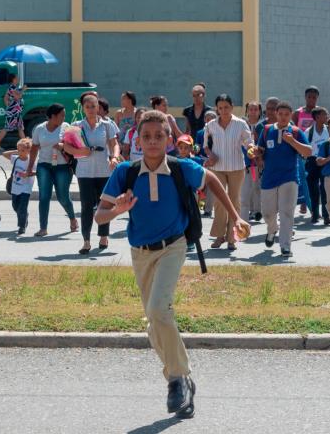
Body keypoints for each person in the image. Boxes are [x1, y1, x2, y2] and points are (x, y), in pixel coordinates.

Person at [95, 110, 250, 420]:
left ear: (168, 139)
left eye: (159, 136)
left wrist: (236, 217)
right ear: (136, 140)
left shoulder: (180, 168)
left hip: (174, 246)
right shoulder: (124, 172)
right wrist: (116, 211)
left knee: (158, 310)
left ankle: (177, 379)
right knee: (155, 324)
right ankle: (182, 382)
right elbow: (99, 215)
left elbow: (213, 179)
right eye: (146, 136)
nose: (152, 141)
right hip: (141, 251)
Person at [252, 101, 311, 257]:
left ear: (291, 115)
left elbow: (308, 152)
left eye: (287, 114)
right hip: (269, 178)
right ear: (275, 115)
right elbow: (260, 150)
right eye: (281, 114)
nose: (284, 117)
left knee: (287, 212)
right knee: (267, 213)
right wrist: (256, 153)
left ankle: (285, 246)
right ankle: (272, 229)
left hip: (289, 178)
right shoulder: (266, 130)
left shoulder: (296, 132)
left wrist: (292, 141)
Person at [64, 91, 121, 255]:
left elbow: (114, 144)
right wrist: (80, 150)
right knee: (86, 207)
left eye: (93, 106)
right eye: (87, 106)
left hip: (104, 171)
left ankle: (103, 235)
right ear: (83, 108)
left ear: (98, 107)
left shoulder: (107, 124)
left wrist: (114, 157)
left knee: (105, 205)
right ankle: (86, 241)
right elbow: (66, 147)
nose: (90, 109)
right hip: (84, 172)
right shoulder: (76, 125)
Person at [203, 94, 254, 251]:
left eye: (226, 107)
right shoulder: (210, 125)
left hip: (237, 168)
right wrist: (210, 155)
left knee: (234, 201)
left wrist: (252, 150)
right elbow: (205, 145)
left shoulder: (240, 124)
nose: (223, 110)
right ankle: (219, 236)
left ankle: (232, 238)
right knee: (219, 202)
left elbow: (249, 142)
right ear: (217, 109)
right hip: (217, 168)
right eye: (220, 108)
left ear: (232, 107)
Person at [29, 103, 78, 237]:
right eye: (61, 115)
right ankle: (43, 228)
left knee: (63, 197)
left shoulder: (66, 127)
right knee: (44, 197)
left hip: (62, 167)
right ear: (53, 116)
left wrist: (63, 146)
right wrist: (30, 167)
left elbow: (75, 145)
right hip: (44, 165)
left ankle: (73, 218)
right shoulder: (39, 129)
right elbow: (34, 149)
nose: (64, 117)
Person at [2, 138, 35, 235]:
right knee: (15, 206)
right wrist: (18, 150)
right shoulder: (16, 159)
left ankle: (21, 226)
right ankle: (24, 217)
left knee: (22, 208)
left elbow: (37, 172)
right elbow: (4, 154)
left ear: (29, 150)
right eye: (19, 150)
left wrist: (28, 173)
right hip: (15, 187)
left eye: (23, 150)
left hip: (26, 188)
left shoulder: (31, 161)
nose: (20, 152)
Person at [305, 106, 330, 225]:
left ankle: (326, 216)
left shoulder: (329, 130)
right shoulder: (308, 132)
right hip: (312, 162)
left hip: (325, 162)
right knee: (313, 190)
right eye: (325, 114)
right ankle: (315, 215)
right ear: (317, 117)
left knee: (325, 190)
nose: (327, 116)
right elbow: (304, 148)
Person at [240, 101, 263, 222]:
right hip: (245, 163)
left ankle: (257, 210)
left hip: (257, 164)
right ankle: (247, 212)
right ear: (247, 111)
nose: (253, 112)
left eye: (255, 109)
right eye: (251, 109)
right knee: (245, 189)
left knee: (256, 187)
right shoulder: (242, 125)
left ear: (259, 111)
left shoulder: (262, 126)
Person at [0, 73, 25, 147]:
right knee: (7, 128)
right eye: (17, 78)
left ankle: (25, 143)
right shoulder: (12, 87)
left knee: (20, 128)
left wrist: (7, 102)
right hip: (13, 113)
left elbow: (6, 96)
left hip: (16, 112)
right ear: (13, 79)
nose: (18, 79)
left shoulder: (14, 87)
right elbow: (18, 97)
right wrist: (23, 90)